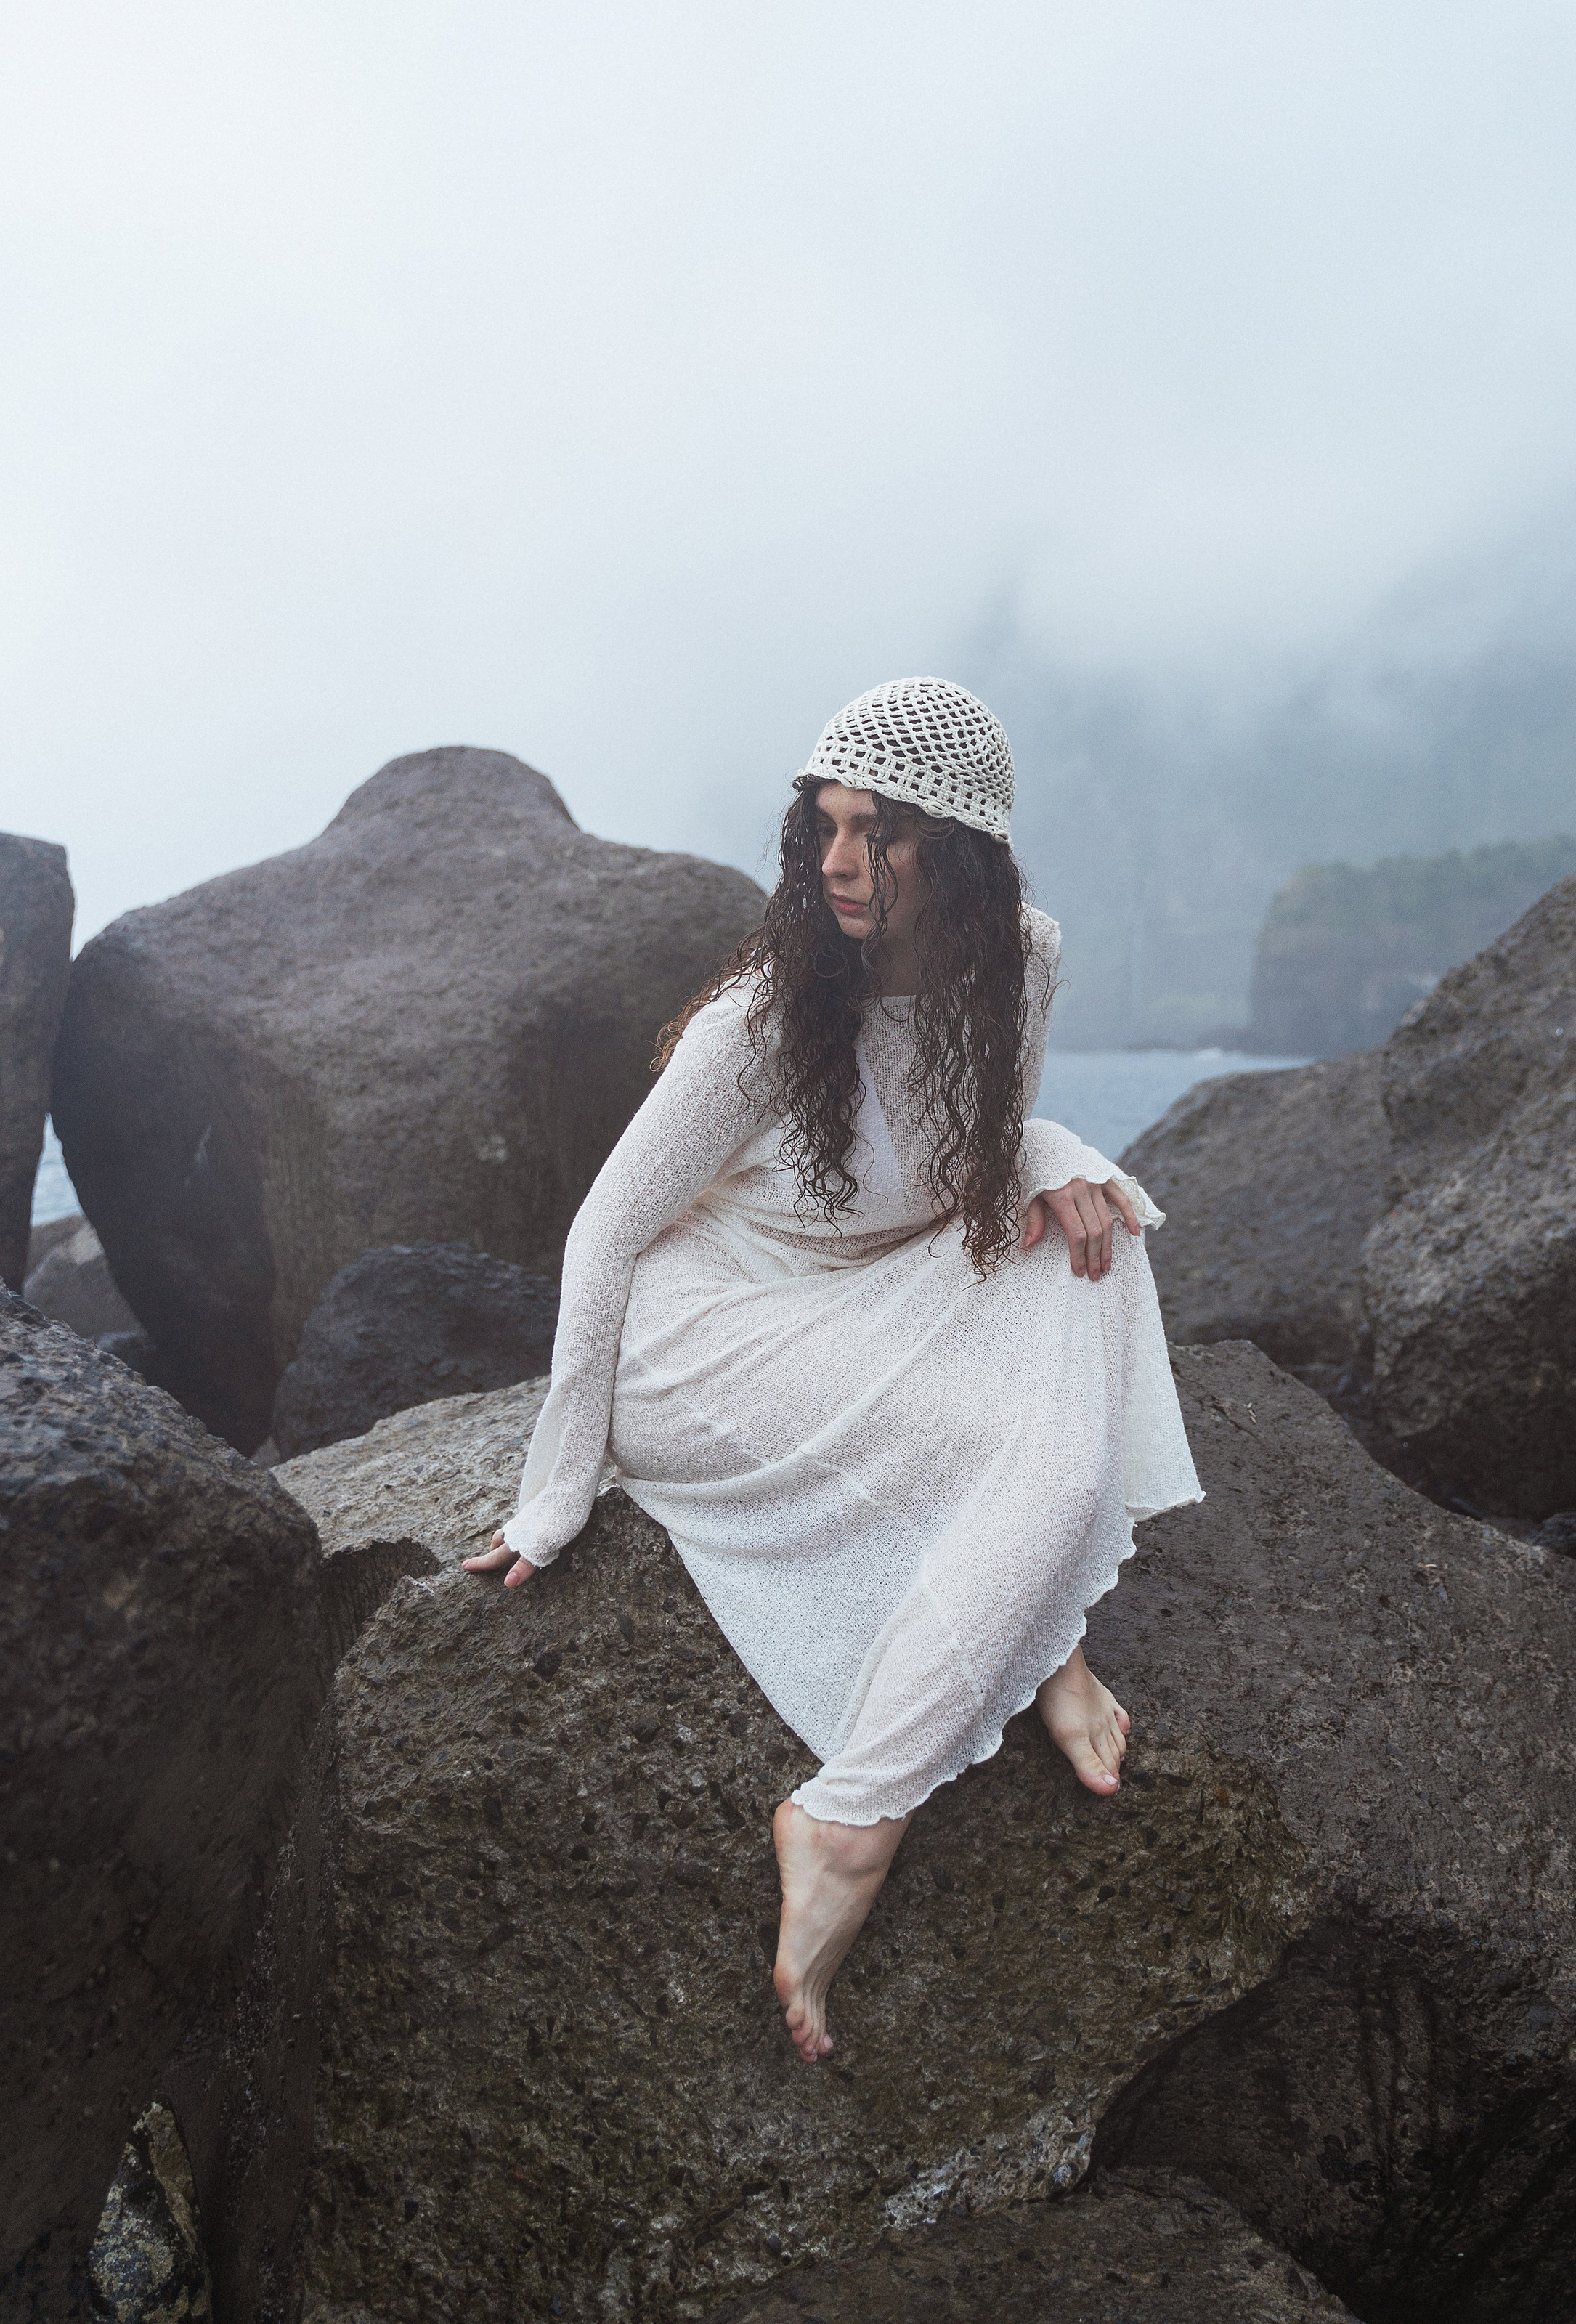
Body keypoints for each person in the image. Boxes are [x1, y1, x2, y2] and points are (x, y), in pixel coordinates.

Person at [465, 676, 1202, 2061]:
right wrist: (554, 1493)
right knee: (1028, 1452)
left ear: (961, 851)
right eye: (823, 826)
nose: (842, 863)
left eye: (881, 831)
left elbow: (982, 1145)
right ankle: (856, 1815)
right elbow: (604, 1235)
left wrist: (1054, 1153)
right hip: (702, 1338)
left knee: (1101, 1244)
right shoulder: (767, 1015)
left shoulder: (1022, 960)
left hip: (863, 1300)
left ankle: (1024, 1641)